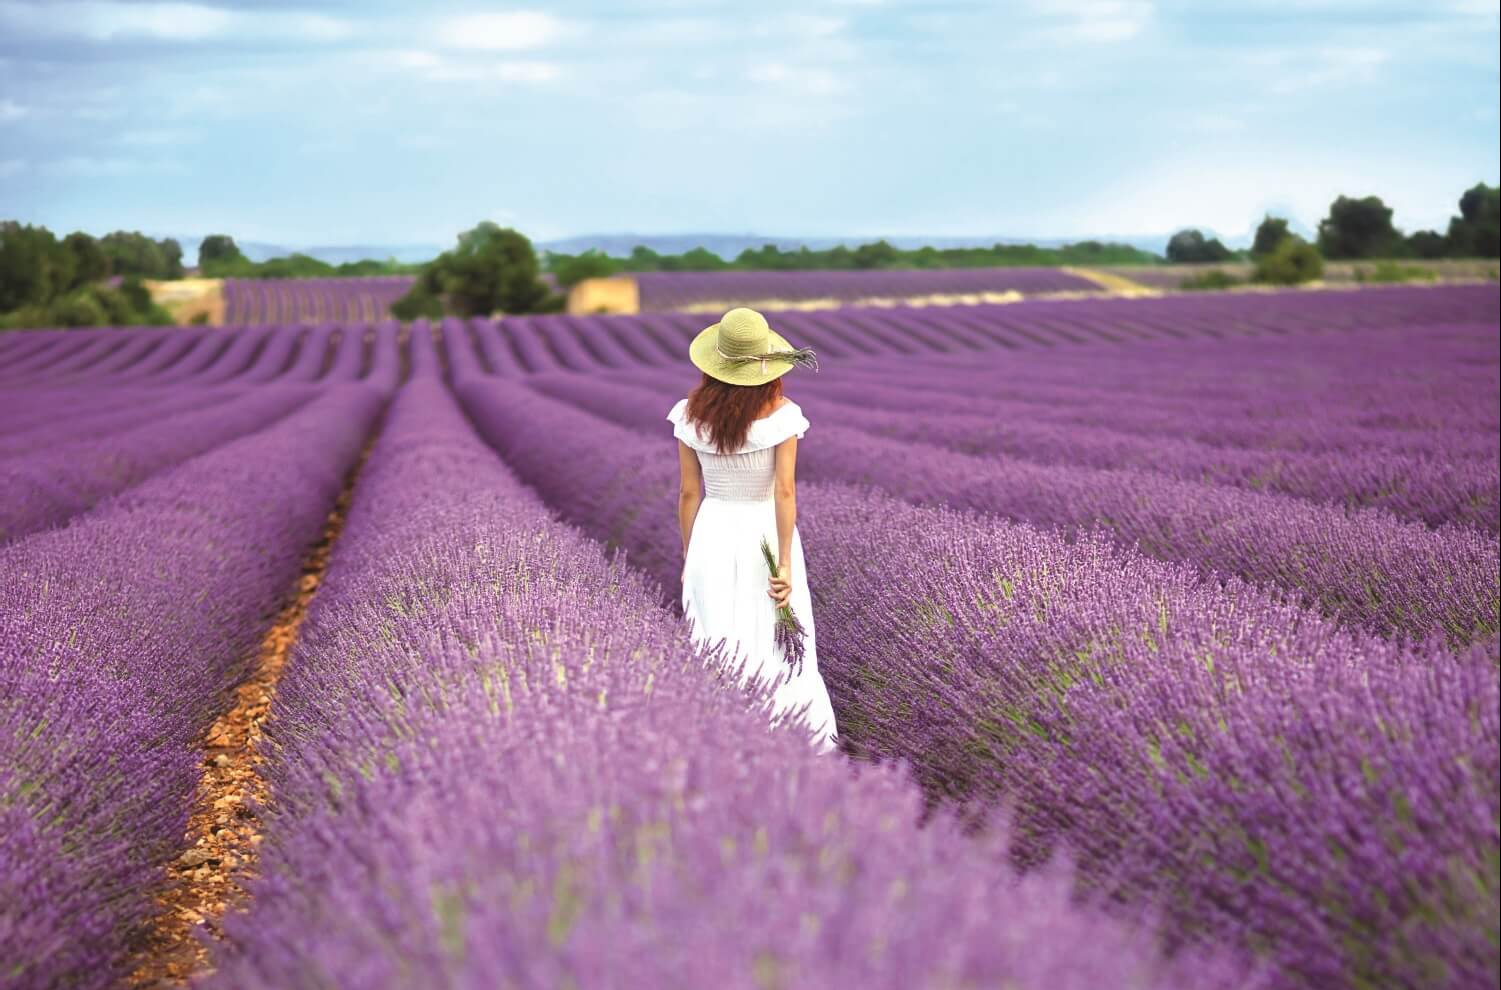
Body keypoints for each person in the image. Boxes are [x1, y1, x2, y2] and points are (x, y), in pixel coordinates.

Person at [667, 307, 839, 753]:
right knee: (774, 641)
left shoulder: (689, 415)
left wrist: (690, 557)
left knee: (716, 636)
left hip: (713, 532)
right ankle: (791, 740)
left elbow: (688, 494)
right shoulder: (783, 416)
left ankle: (721, 743)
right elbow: (784, 492)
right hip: (764, 530)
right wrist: (783, 563)